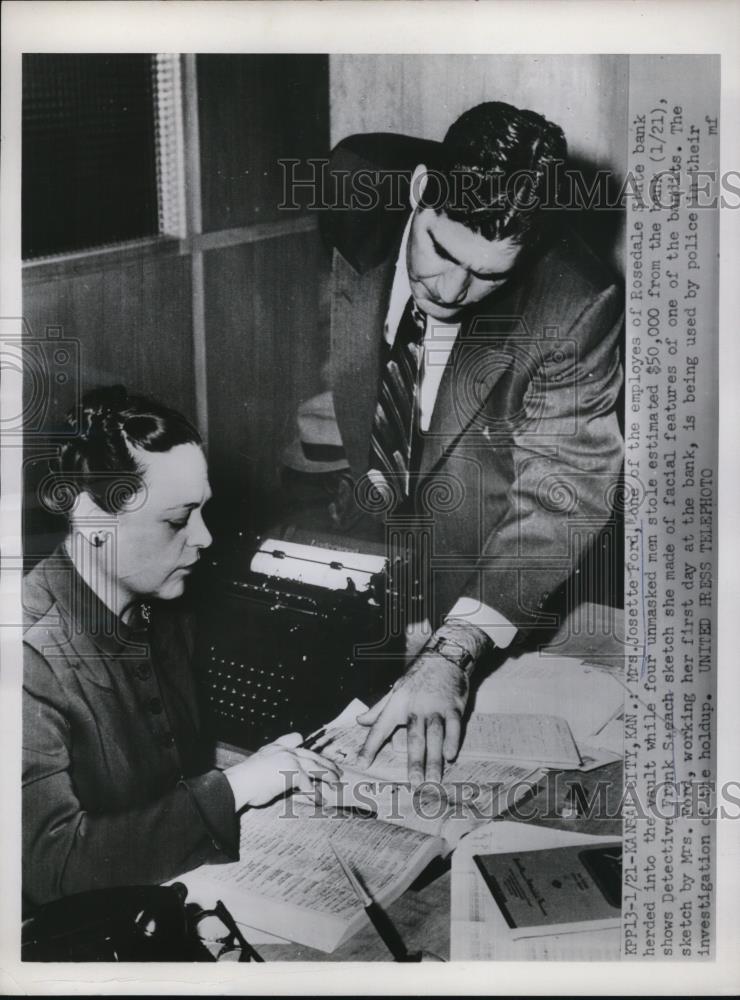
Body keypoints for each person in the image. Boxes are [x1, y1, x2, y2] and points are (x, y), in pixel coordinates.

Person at [319, 102, 624, 784]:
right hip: (366, 546)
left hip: (483, 554)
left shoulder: (578, 302)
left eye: (488, 274)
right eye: (442, 251)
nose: (452, 292)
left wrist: (455, 646)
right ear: (422, 188)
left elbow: (563, 490)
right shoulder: (352, 190)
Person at [22, 385, 338, 913]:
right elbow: (54, 868)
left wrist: (259, 770)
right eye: (176, 520)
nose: (204, 538)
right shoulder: (26, 657)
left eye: (202, 512)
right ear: (94, 521)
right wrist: (235, 787)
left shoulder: (161, 605)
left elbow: (173, 773)